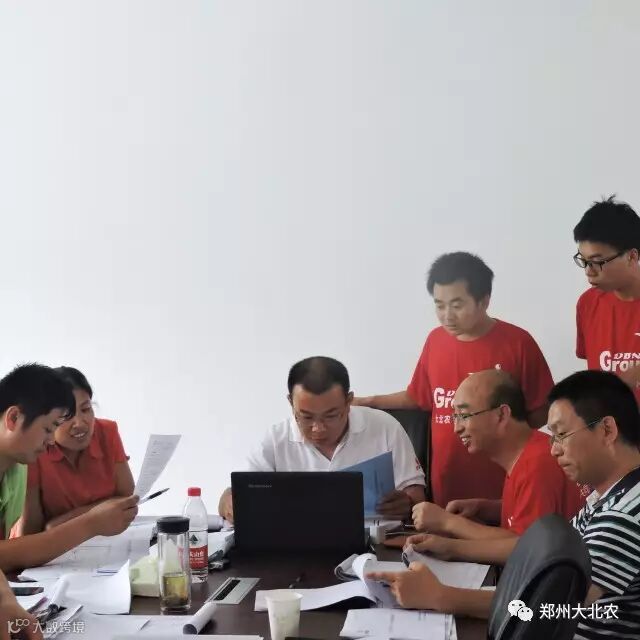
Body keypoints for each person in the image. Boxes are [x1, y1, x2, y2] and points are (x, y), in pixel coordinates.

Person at [367, 370, 640, 640]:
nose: (554, 449)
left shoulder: (622, 517)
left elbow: (550, 609)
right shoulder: (609, 497)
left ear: (607, 430)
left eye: (562, 434)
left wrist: (441, 596)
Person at [353, 252, 554, 507]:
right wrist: (370, 401)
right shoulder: (435, 341)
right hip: (448, 482)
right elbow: (419, 397)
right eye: (440, 305)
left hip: (503, 486)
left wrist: (503, 434)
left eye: (457, 306)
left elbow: (543, 409)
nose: (447, 316)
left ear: (484, 301)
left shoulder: (518, 343)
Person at [218, 356, 426, 522]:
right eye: (306, 417)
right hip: (296, 546)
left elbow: (416, 496)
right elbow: (234, 495)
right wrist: (229, 502)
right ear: (291, 403)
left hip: (374, 545)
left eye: (331, 416)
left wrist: (407, 503)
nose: (318, 429)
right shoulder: (276, 439)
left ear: (349, 401)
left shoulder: (385, 427)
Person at [410, 369, 585, 544]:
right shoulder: (527, 453)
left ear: (501, 415)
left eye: (464, 415)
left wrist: (448, 523)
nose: (457, 428)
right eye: (454, 416)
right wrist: (485, 508)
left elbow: (525, 547)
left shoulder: (536, 465)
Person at [0, 364, 138, 572]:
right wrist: (90, 524)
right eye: (48, 429)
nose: (50, 441)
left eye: (86, 409)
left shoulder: (17, 467)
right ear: (13, 418)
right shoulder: (27, 460)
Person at [18, 367, 134, 533]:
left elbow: (127, 499)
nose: (79, 423)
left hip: (105, 540)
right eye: (66, 415)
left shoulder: (107, 431)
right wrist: (99, 515)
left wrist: (62, 523)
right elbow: (30, 530)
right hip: (54, 545)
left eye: (86, 409)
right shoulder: (34, 448)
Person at [574, 196, 640, 401]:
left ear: (632, 257)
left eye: (597, 262)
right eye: (583, 261)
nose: (589, 271)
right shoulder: (587, 304)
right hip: (609, 420)